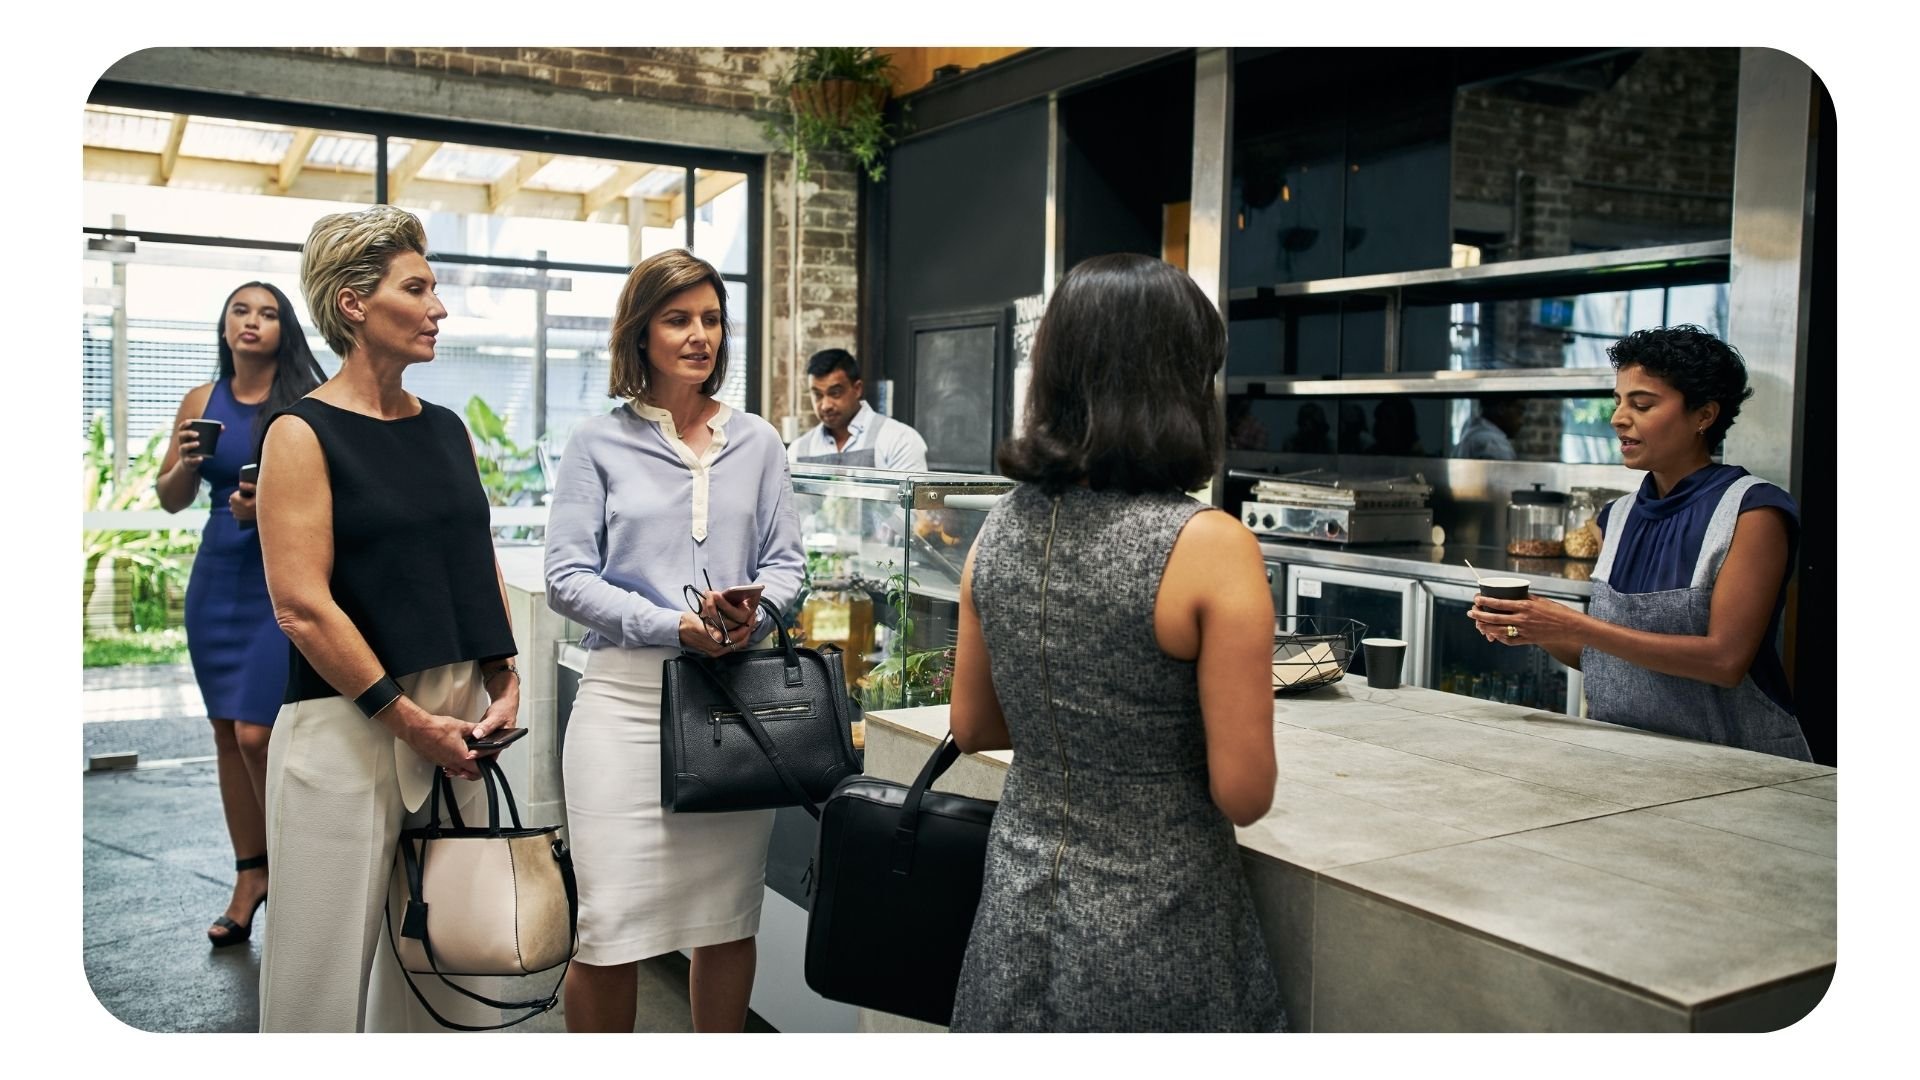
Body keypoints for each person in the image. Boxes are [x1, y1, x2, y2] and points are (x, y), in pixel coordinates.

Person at [945, 253, 1285, 1032]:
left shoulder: (1000, 527)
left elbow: (974, 727)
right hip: (1162, 926)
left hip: (1017, 913)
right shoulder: (1210, 544)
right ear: (1179, 384)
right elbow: (1246, 794)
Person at [254, 206, 522, 1031]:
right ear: (353, 305)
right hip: (348, 724)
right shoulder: (300, 433)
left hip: (456, 729)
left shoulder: (447, 432)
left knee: (447, 977)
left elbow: (477, 565)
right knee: (317, 985)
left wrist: (503, 681)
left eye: (435, 288)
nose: (439, 307)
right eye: (418, 288)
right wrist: (407, 721)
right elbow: (301, 607)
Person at [544, 249, 804, 1033]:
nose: (701, 336)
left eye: (713, 319)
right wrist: (673, 624)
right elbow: (567, 577)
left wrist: (751, 617)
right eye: (679, 319)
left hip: (733, 706)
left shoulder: (758, 443)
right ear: (641, 332)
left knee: (727, 920)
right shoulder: (597, 442)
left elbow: (789, 564)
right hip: (622, 703)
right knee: (607, 929)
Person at [1468, 325, 1810, 760]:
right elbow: (1608, 658)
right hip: (1628, 758)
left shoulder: (1753, 512)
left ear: (1704, 415)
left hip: (1739, 766)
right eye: (1618, 402)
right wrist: (1536, 630)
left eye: (1642, 404)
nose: (1617, 418)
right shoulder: (1617, 516)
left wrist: (1575, 624)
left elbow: (1725, 662)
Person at [156, 281, 326, 948]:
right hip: (217, 578)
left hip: (277, 578)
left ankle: (296, 872)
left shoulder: (305, 401)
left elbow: (328, 492)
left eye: (268, 313)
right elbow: (171, 497)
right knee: (226, 732)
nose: (252, 322)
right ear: (225, 325)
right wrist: (190, 463)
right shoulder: (200, 400)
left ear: (286, 329)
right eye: (240, 311)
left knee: (260, 734)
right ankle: (250, 877)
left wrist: (269, 508)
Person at [786, 347, 928, 470]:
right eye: (817, 395)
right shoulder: (798, 450)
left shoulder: (899, 440)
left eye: (835, 393)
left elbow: (914, 501)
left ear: (857, 388)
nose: (825, 405)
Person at [1454, 396, 1524, 460]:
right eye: (1519, 412)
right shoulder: (1494, 444)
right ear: (1501, 409)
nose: (1521, 421)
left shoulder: (1471, 432)